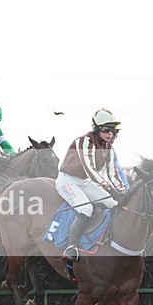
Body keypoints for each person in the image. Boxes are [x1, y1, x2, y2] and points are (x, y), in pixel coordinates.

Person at [56, 109, 127, 262]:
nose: (110, 134)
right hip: (67, 180)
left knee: (113, 204)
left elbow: (113, 174)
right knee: (85, 208)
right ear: (96, 129)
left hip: (85, 182)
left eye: (113, 130)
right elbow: (90, 168)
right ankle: (71, 247)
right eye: (106, 130)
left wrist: (124, 192)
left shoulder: (109, 148)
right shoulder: (84, 141)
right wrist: (108, 188)